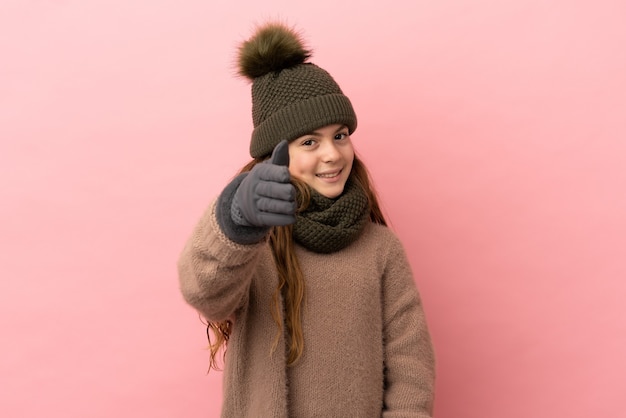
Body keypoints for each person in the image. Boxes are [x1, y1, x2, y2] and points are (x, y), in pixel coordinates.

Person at [177, 22, 435, 417]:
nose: (332, 154)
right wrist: (236, 221)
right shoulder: (252, 246)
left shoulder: (381, 249)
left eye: (341, 135)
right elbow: (204, 292)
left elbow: (410, 369)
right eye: (309, 142)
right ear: (275, 154)